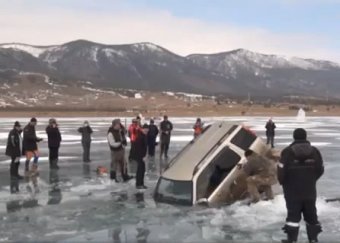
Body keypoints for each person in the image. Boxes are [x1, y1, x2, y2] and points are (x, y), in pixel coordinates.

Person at [278, 128, 324, 243]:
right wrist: (311, 180)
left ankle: (292, 240)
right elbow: (320, 169)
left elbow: (281, 170)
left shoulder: (287, 152)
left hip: (292, 191)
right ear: (305, 137)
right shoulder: (315, 152)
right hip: (309, 190)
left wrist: (284, 182)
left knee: (293, 216)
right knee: (311, 215)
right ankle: (313, 239)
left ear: (294, 137)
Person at [5, 121, 23, 193]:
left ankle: (16, 174)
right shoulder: (13, 132)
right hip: (14, 151)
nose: (19, 128)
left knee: (17, 162)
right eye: (18, 127)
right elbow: (13, 142)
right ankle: (13, 175)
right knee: (14, 162)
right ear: (15, 127)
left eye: (19, 126)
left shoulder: (17, 132)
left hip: (18, 151)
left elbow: (20, 133)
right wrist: (16, 151)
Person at [130, 124, 148, 189]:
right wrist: (142, 156)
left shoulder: (144, 135)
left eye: (147, 129)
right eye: (145, 129)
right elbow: (138, 148)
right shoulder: (140, 136)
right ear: (142, 129)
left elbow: (145, 146)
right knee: (140, 170)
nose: (146, 130)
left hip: (142, 156)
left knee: (142, 170)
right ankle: (138, 184)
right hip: (139, 156)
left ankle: (141, 183)